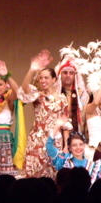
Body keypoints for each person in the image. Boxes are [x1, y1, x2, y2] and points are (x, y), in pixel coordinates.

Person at [19, 50, 69, 178]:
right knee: (34, 173)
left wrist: (66, 146)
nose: (43, 80)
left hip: (54, 140)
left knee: (52, 173)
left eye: (46, 77)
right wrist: (32, 69)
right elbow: (25, 88)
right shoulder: (37, 96)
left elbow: (65, 123)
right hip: (37, 139)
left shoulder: (62, 99)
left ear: (54, 79)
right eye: (41, 78)